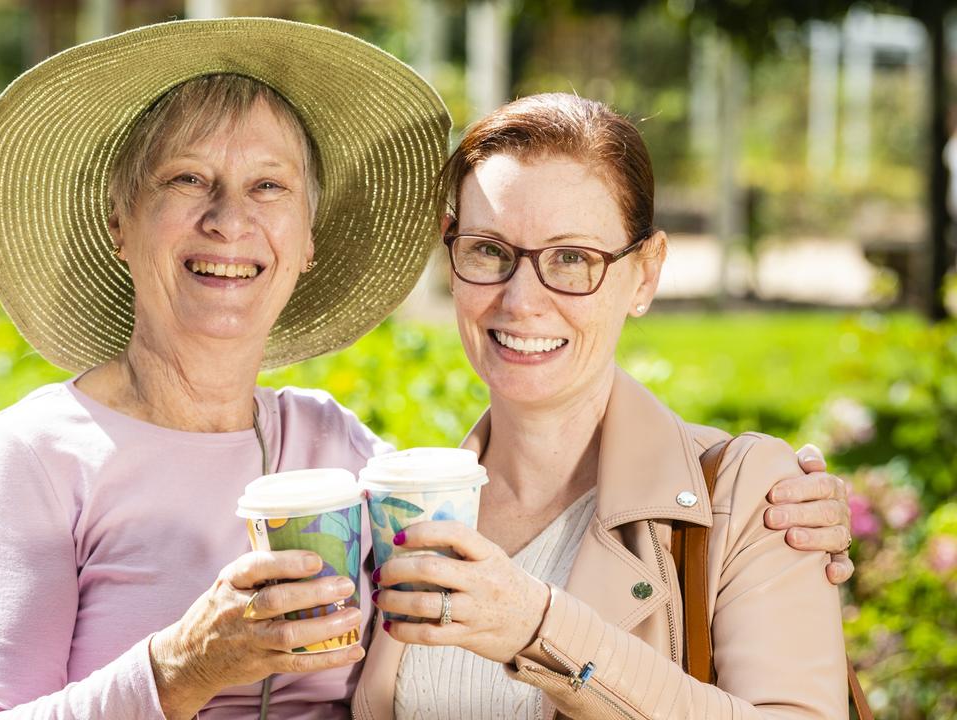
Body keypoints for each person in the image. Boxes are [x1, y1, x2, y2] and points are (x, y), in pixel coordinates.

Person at [0, 20, 854, 720]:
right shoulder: (35, 456)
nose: (229, 220)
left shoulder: (348, 457)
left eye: (269, 185)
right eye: (187, 180)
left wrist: (775, 504)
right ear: (120, 221)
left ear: (309, 240)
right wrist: (179, 669)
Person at [354, 93, 852, 719]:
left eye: (571, 259)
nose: (521, 301)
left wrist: (541, 630)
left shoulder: (750, 496)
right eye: (488, 250)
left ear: (645, 274)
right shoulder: (409, 503)